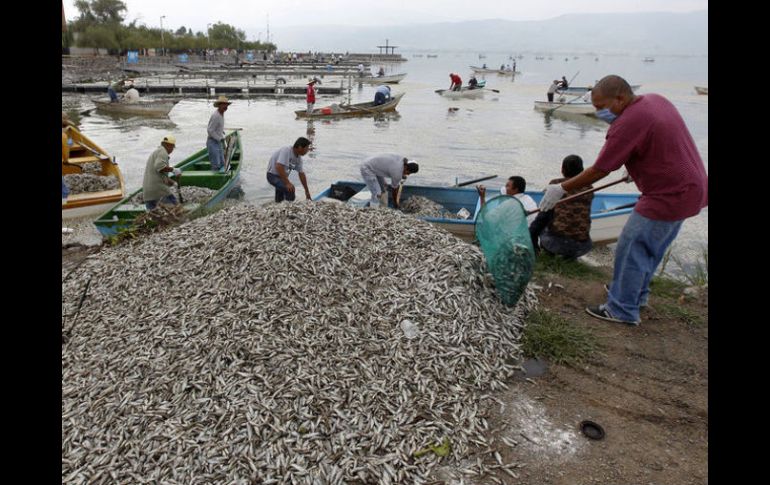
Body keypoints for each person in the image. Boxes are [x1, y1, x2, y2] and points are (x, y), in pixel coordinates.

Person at [538, 74, 708, 326]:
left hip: (668, 195)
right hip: (693, 187)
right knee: (650, 249)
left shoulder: (626, 123)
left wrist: (561, 188)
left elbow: (599, 170)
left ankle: (622, 309)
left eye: (600, 107)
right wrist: (637, 168)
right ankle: (634, 295)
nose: (598, 113)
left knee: (631, 249)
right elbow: (661, 142)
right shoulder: (655, 100)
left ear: (619, 98)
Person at [529, 155, 594, 259]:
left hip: (558, 245)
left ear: (562, 169)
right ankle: (569, 259)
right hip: (583, 246)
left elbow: (542, 219)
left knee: (538, 225)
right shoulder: (588, 187)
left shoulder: (555, 185)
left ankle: (543, 254)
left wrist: (532, 233)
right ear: (582, 170)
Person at [266, 137, 312, 203]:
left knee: (279, 199)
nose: (307, 150)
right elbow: (279, 166)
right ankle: (289, 208)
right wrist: (287, 183)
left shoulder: (299, 159)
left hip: (282, 178)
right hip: (272, 175)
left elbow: (301, 174)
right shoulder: (286, 150)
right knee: (290, 189)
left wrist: (307, 191)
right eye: (306, 148)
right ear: (300, 147)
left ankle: (278, 207)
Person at [142, 135, 181, 210]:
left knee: (152, 215)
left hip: (147, 193)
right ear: (169, 145)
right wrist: (173, 170)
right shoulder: (163, 152)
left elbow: (160, 175)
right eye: (172, 147)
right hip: (159, 191)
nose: (172, 150)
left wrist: (173, 183)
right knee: (177, 209)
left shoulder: (156, 152)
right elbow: (159, 167)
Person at [207, 95, 231, 173]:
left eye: (226, 105)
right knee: (216, 165)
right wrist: (220, 138)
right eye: (224, 104)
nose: (226, 106)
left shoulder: (221, 114)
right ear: (219, 105)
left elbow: (217, 128)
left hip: (218, 142)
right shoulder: (216, 116)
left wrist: (221, 133)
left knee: (222, 163)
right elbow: (210, 130)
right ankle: (214, 182)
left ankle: (222, 177)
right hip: (213, 142)